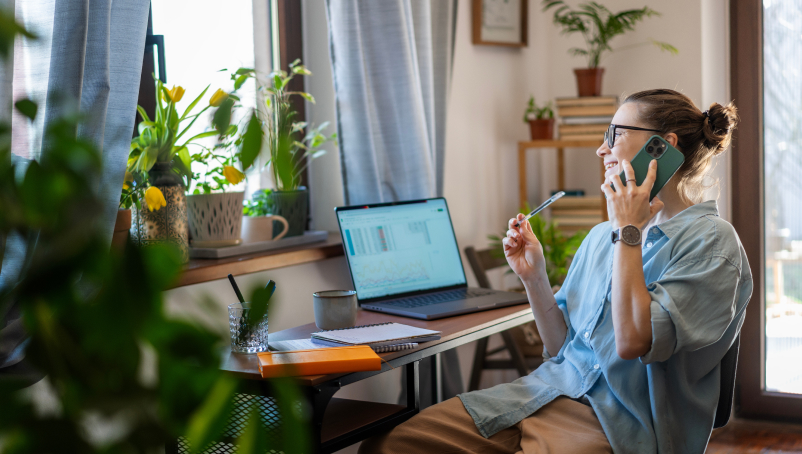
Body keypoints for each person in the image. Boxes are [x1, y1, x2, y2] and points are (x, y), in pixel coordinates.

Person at [359, 89, 752, 454]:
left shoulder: (712, 245)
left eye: (614, 134)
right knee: (391, 444)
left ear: (661, 147)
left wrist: (627, 231)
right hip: (540, 394)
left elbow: (633, 342)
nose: (601, 149)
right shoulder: (602, 236)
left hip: (622, 426)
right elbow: (563, 346)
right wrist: (534, 277)